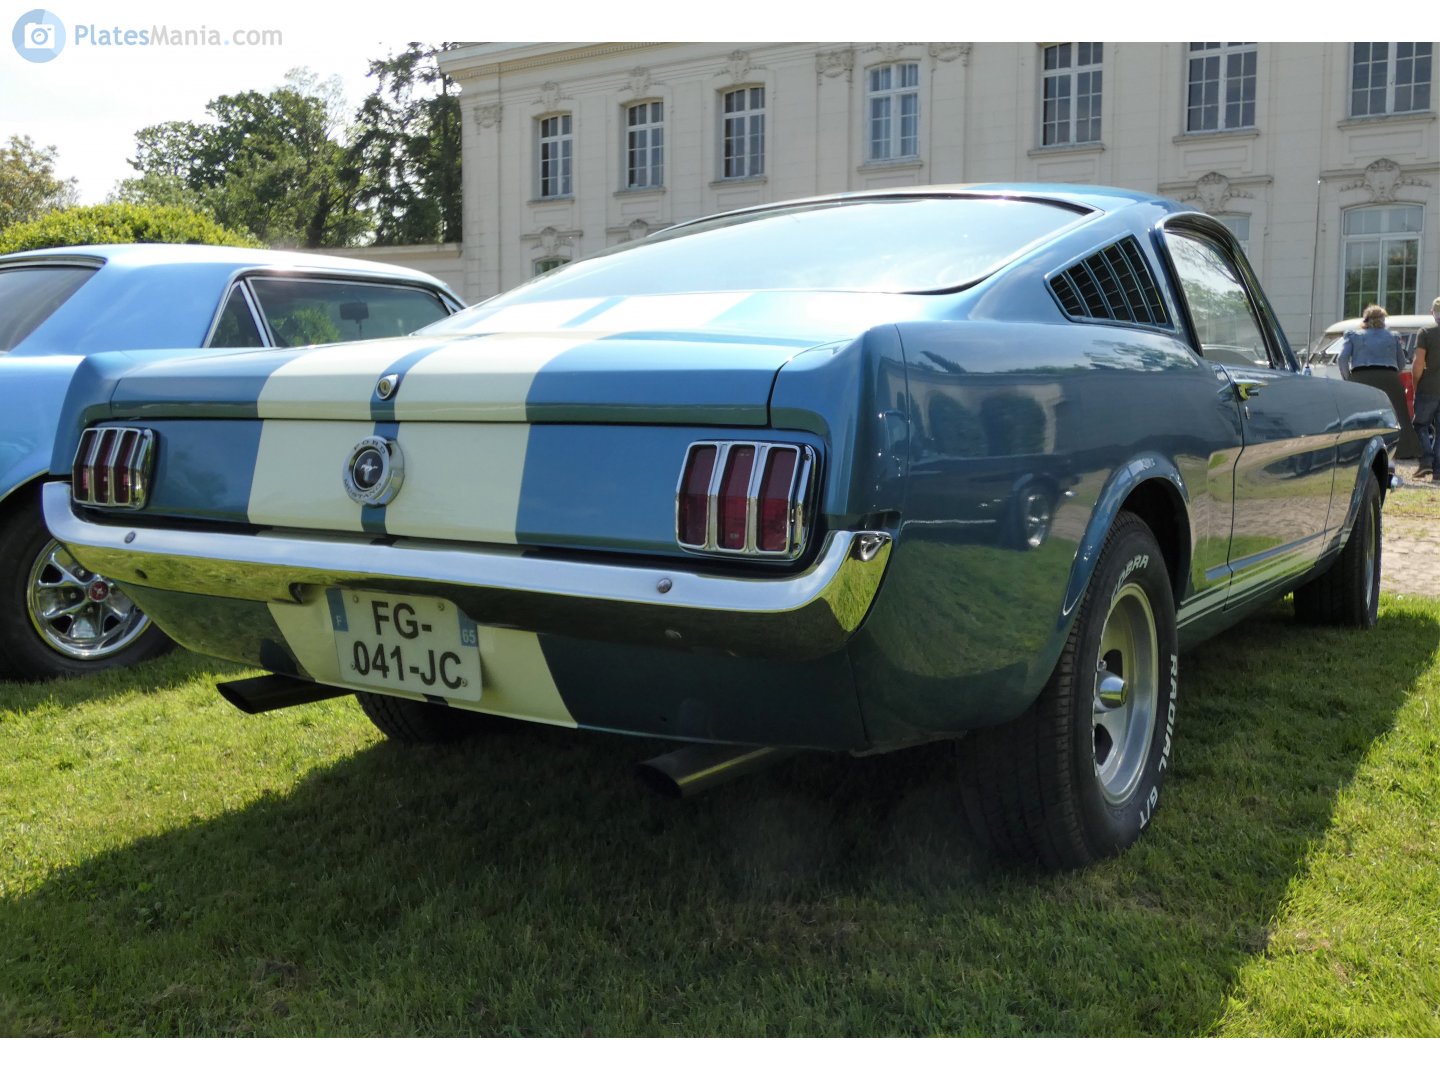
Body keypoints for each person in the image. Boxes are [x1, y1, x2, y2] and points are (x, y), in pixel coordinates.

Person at [1338, 304, 1421, 459]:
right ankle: (1403, 451)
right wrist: (1390, 372)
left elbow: (1342, 359)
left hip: (1360, 376)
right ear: (1383, 320)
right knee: (1398, 415)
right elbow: (1401, 362)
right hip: (1388, 377)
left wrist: (1348, 377)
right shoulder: (1393, 336)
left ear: (1366, 319)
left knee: (1358, 416)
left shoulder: (1353, 335)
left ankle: (1354, 451)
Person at [1412, 297, 1440, 481]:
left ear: (1433, 313)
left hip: (1428, 387)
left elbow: (1419, 364)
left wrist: (1415, 385)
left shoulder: (1425, 333)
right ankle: (1438, 471)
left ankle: (1426, 461)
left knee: (1420, 425)